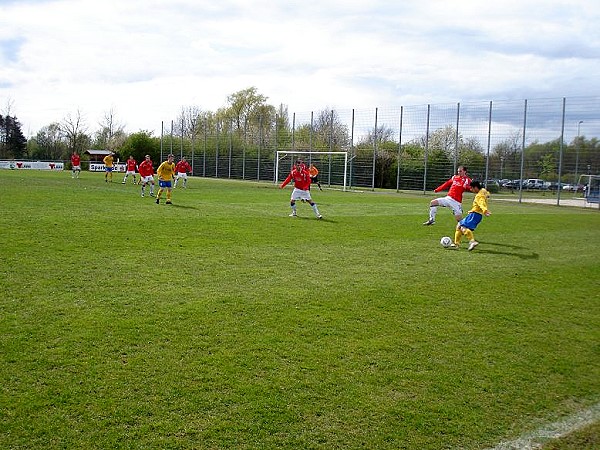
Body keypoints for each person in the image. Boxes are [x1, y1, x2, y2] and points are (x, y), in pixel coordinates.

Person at [451, 181, 491, 251]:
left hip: (474, 214)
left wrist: (485, 210)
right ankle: (456, 244)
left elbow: (481, 203)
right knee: (459, 226)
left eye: (471, 188)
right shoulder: (483, 191)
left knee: (463, 227)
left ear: (475, 187)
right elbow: (487, 193)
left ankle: (472, 242)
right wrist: (487, 195)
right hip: (477, 215)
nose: (470, 190)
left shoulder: (479, 195)